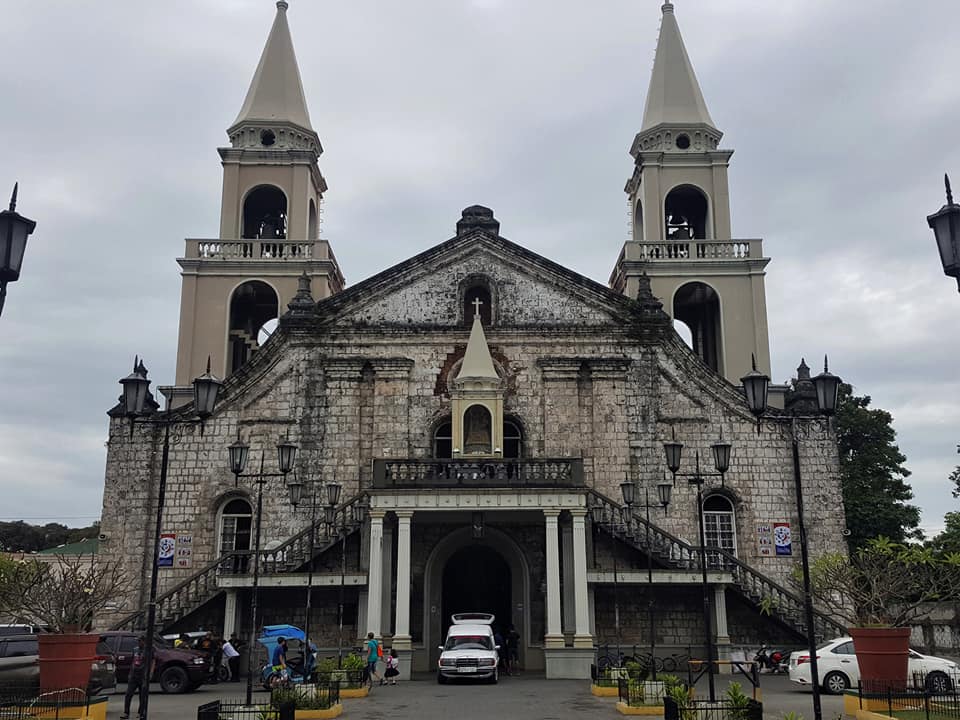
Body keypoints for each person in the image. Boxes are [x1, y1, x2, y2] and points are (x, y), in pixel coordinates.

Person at [120, 636, 153, 720]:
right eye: (138, 641)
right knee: (128, 694)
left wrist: (150, 673)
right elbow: (132, 661)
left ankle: (141, 713)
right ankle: (126, 712)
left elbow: (153, 661)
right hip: (134, 675)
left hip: (143, 675)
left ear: (144, 642)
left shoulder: (148, 651)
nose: (138, 643)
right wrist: (130, 673)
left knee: (142, 696)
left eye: (140, 641)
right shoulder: (135, 649)